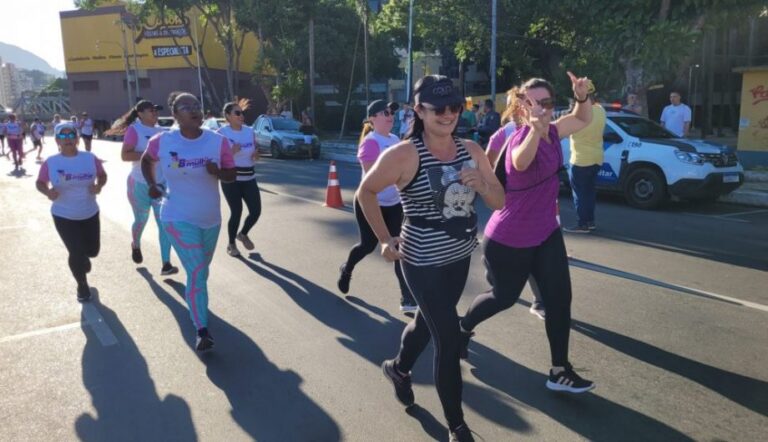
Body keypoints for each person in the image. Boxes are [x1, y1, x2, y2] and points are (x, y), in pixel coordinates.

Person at [358, 75, 504, 442]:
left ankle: (398, 368)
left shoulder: (471, 148)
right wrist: (385, 238)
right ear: (419, 110)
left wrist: (483, 184)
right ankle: (457, 426)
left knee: (427, 324)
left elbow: (499, 201)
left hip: (458, 256)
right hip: (421, 260)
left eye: (455, 107)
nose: (448, 114)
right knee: (449, 338)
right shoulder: (403, 154)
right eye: (439, 108)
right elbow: (366, 192)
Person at [459, 73, 596, 396]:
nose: (543, 109)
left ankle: (559, 370)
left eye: (547, 102)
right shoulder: (522, 138)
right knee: (503, 298)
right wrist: (534, 128)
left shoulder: (552, 130)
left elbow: (582, 118)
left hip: (546, 233)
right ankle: (462, 327)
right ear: (522, 107)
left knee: (560, 299)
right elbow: (520, 163)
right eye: (534, 103)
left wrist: (581, 95)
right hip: (509, 239)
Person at [140, 92, 236, 352]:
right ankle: (202, 330)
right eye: (186, 107)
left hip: (210, 220)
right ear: (175, 115)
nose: (194, 110)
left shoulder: (218, 142)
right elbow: (147, 160)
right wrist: (151, 185)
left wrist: (218, 172)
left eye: (197, 106)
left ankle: (197, 307)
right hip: (176, 217)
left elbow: (231, 175)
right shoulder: (163, 141)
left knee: (201, 272)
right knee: (195, 273)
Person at [337, 99, 417, 312]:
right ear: (372, 119)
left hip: (394, 203)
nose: (390, 115)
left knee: (399, 245)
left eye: (391, 112)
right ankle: (347, 269)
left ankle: (407, 298)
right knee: (367, 245)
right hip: (371, 203)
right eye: (384, 112)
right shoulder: (371, 142)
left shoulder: (395, 139)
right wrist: (401, 176)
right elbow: (373, 178)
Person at [485, 86, 546, 320]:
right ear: (515, 107)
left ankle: (540, 300)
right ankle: (498, 277)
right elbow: (487, 160)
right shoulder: (504, 133)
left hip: (537, 204)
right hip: (511, 204)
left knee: (533, 253)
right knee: (518, 249)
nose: (529, 107)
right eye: (522, 102)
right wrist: (497, 183)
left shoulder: (542, 128)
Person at [36, 122, 107, 302]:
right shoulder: (51, 162)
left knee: (93, 251)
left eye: (70, 136)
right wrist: (48, 192)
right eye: (63, 136)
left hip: (89, 212)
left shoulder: (90, 158)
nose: (67, 140)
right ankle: (82, 285)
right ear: (58, 141)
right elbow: (40, 182)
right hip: (63, 214)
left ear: (77, 139)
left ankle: (85, 256)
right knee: (75, 251)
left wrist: (99, 186)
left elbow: (103, 175)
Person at [113, 99, 179, 275]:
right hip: (139, 184)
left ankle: (166, 263)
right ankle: (135, 244)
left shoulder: (162, 132)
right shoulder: (135, 130)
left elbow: (170, 158)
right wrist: (149, 154)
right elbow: (125, 156)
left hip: (160, 185)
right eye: (151, 110)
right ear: (140, 114)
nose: (155, 113)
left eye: (156, 110)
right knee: (141, 220)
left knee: (164, 223)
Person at [217, 101, 261, 257]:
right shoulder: (221, 133)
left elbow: (255, 151)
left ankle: (243, 234)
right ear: (228, 116)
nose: (241, 116)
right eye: (237, 113)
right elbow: (217, 158)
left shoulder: (249, 131)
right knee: (236, 212)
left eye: (242, 113)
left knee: (256, 211)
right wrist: (230, 152)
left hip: (249, 177)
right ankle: (231, 244)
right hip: (231, 178)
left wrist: (256, 154)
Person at [563, 88, 606, 233]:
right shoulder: (601, 111)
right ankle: (590, 221)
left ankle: (583, 224)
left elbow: (565, 129)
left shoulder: (578, 115)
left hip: (580, 159)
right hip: (597, 158)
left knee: (579, 194)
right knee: (589, 192)